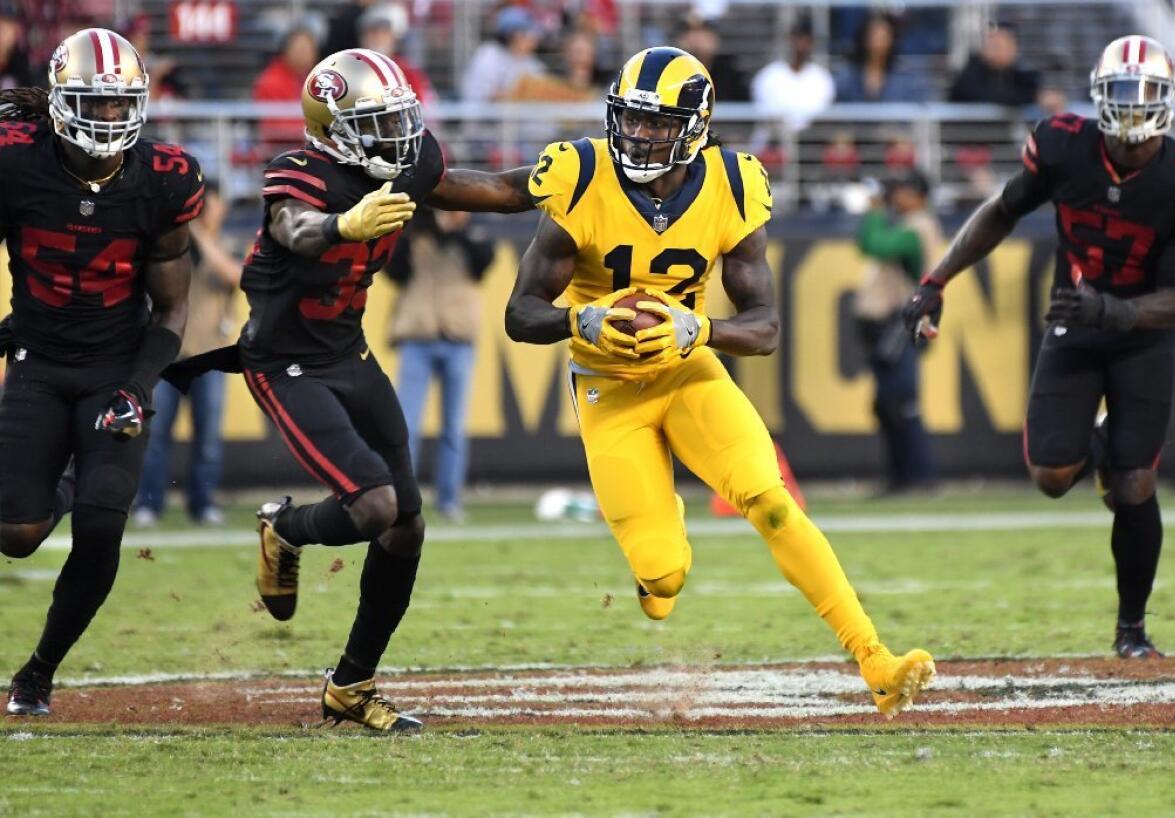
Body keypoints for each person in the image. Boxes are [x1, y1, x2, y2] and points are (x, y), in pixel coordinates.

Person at [505, 46, 935, 718]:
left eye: (656, 123)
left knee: (770, 501)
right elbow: (518, 315)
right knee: (663, 572)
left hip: (688, 370)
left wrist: (697, 331)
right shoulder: (583, 176)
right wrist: (580, 320)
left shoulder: (732, 184)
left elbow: (764, 328)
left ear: (695, 126)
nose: (639, 135)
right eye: (632, 119)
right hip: (608, 389)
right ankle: (661, 542)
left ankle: (875, 660)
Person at [164, 47, 536, 732]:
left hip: (349, 353)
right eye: (378, 121)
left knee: (406, 527)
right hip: (283, 362)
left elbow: (490, 189)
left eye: (402, 119)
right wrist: (344, 224)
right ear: (331, 127)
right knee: (372, 505)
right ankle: (284, 526)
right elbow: (293, 228)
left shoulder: (407, 160)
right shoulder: (297, 172)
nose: (398, 137)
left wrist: (560, 176)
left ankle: (351, 687)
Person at [904, 36, 1175, 659]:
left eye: (1145, 92)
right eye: (1121, 91)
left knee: (1136, 483)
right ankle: (1098, 445)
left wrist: (1115, 310)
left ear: (1168, 101)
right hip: (1075, 321)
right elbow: (1001, 210)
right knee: (1050, 475)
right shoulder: (1066, 145)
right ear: (1098, 94)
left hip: (1143, 333)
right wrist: (936, 280)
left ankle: (1132, 631)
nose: (1132, 105)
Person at [1, 29, 202, 717]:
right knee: (18, 534)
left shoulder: (166, 178)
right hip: (37, 358)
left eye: (122, 106)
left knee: (100, 526)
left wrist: (138, 388)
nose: (110, 120)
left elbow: (173, 309)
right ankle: (60, 476)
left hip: (116, 365)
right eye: (94, 103)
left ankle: (38, 672)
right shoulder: (15, 163)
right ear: (59, 102)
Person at [132, 184, 241, 528]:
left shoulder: (223, 244)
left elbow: (235, 276)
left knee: (207, 437)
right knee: (155, 435)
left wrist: (199, 233)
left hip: (210, 355)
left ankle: (203, 503)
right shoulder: (168, 244)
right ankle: (149, 504)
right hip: (167, 357)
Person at [388, 208, 495, 523]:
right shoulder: (414, 234)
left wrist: (456, 229)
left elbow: (483, 263)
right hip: (417, 334)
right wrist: (419, 229)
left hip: (459, 336)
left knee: (454, 427)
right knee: (406, 425)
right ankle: (403, 499)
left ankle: (449, 499)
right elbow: (394, 272)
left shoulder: (474, 234)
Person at [854, 173, 939, 493]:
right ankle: (900, 477)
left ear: (919, 196)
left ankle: (920, 476)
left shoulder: (919, 227)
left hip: (901, 324)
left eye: (904, 191)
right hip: (891, 325)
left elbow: (875, 245)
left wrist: (875, 211)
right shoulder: (907, 224)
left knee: (902, 404)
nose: (897, 198)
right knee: (888, 405)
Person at [750, 18, 834, 134]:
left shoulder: (822, 78)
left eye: (806, 39)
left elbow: (821, 115)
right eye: (797, 38)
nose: (801, 44)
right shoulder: (768, 75)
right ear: (789, 40)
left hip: (812, 140)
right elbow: (765, 113)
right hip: (774, 140)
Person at [458, 5, 545, 103]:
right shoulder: (488, 55)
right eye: (531, 34)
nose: (535, 40)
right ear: (514, 35)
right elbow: (490, 97)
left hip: (517, 117)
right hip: (483, 116)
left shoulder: (532, 63)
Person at [835, 13, 927, 103]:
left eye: (883, 37)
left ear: (892, 39)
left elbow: (916, 110)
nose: (877, 42)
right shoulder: (846, 76)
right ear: (863, 38)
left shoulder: (906, 77)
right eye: (873, 36)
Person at [252, 24, 320, 146]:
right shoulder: (270, 81)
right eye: (300, 49)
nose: (305, 55)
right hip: (279, 153)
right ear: (286, 50)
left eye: (309, 49)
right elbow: (277, 126)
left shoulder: (313, 79)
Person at [357, 2, 435, 104]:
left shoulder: (406, 69)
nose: (378, 38)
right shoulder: (354, 68)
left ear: (394, 37)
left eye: (384, 33)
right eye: (372, 33)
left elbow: (421, 104)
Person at [948, 22, 1040, 106]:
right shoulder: (970, 74)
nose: (994, 51)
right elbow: (987, 98)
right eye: (993, 45)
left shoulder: (1021, 75)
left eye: (1001, 46)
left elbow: (1032, 92)